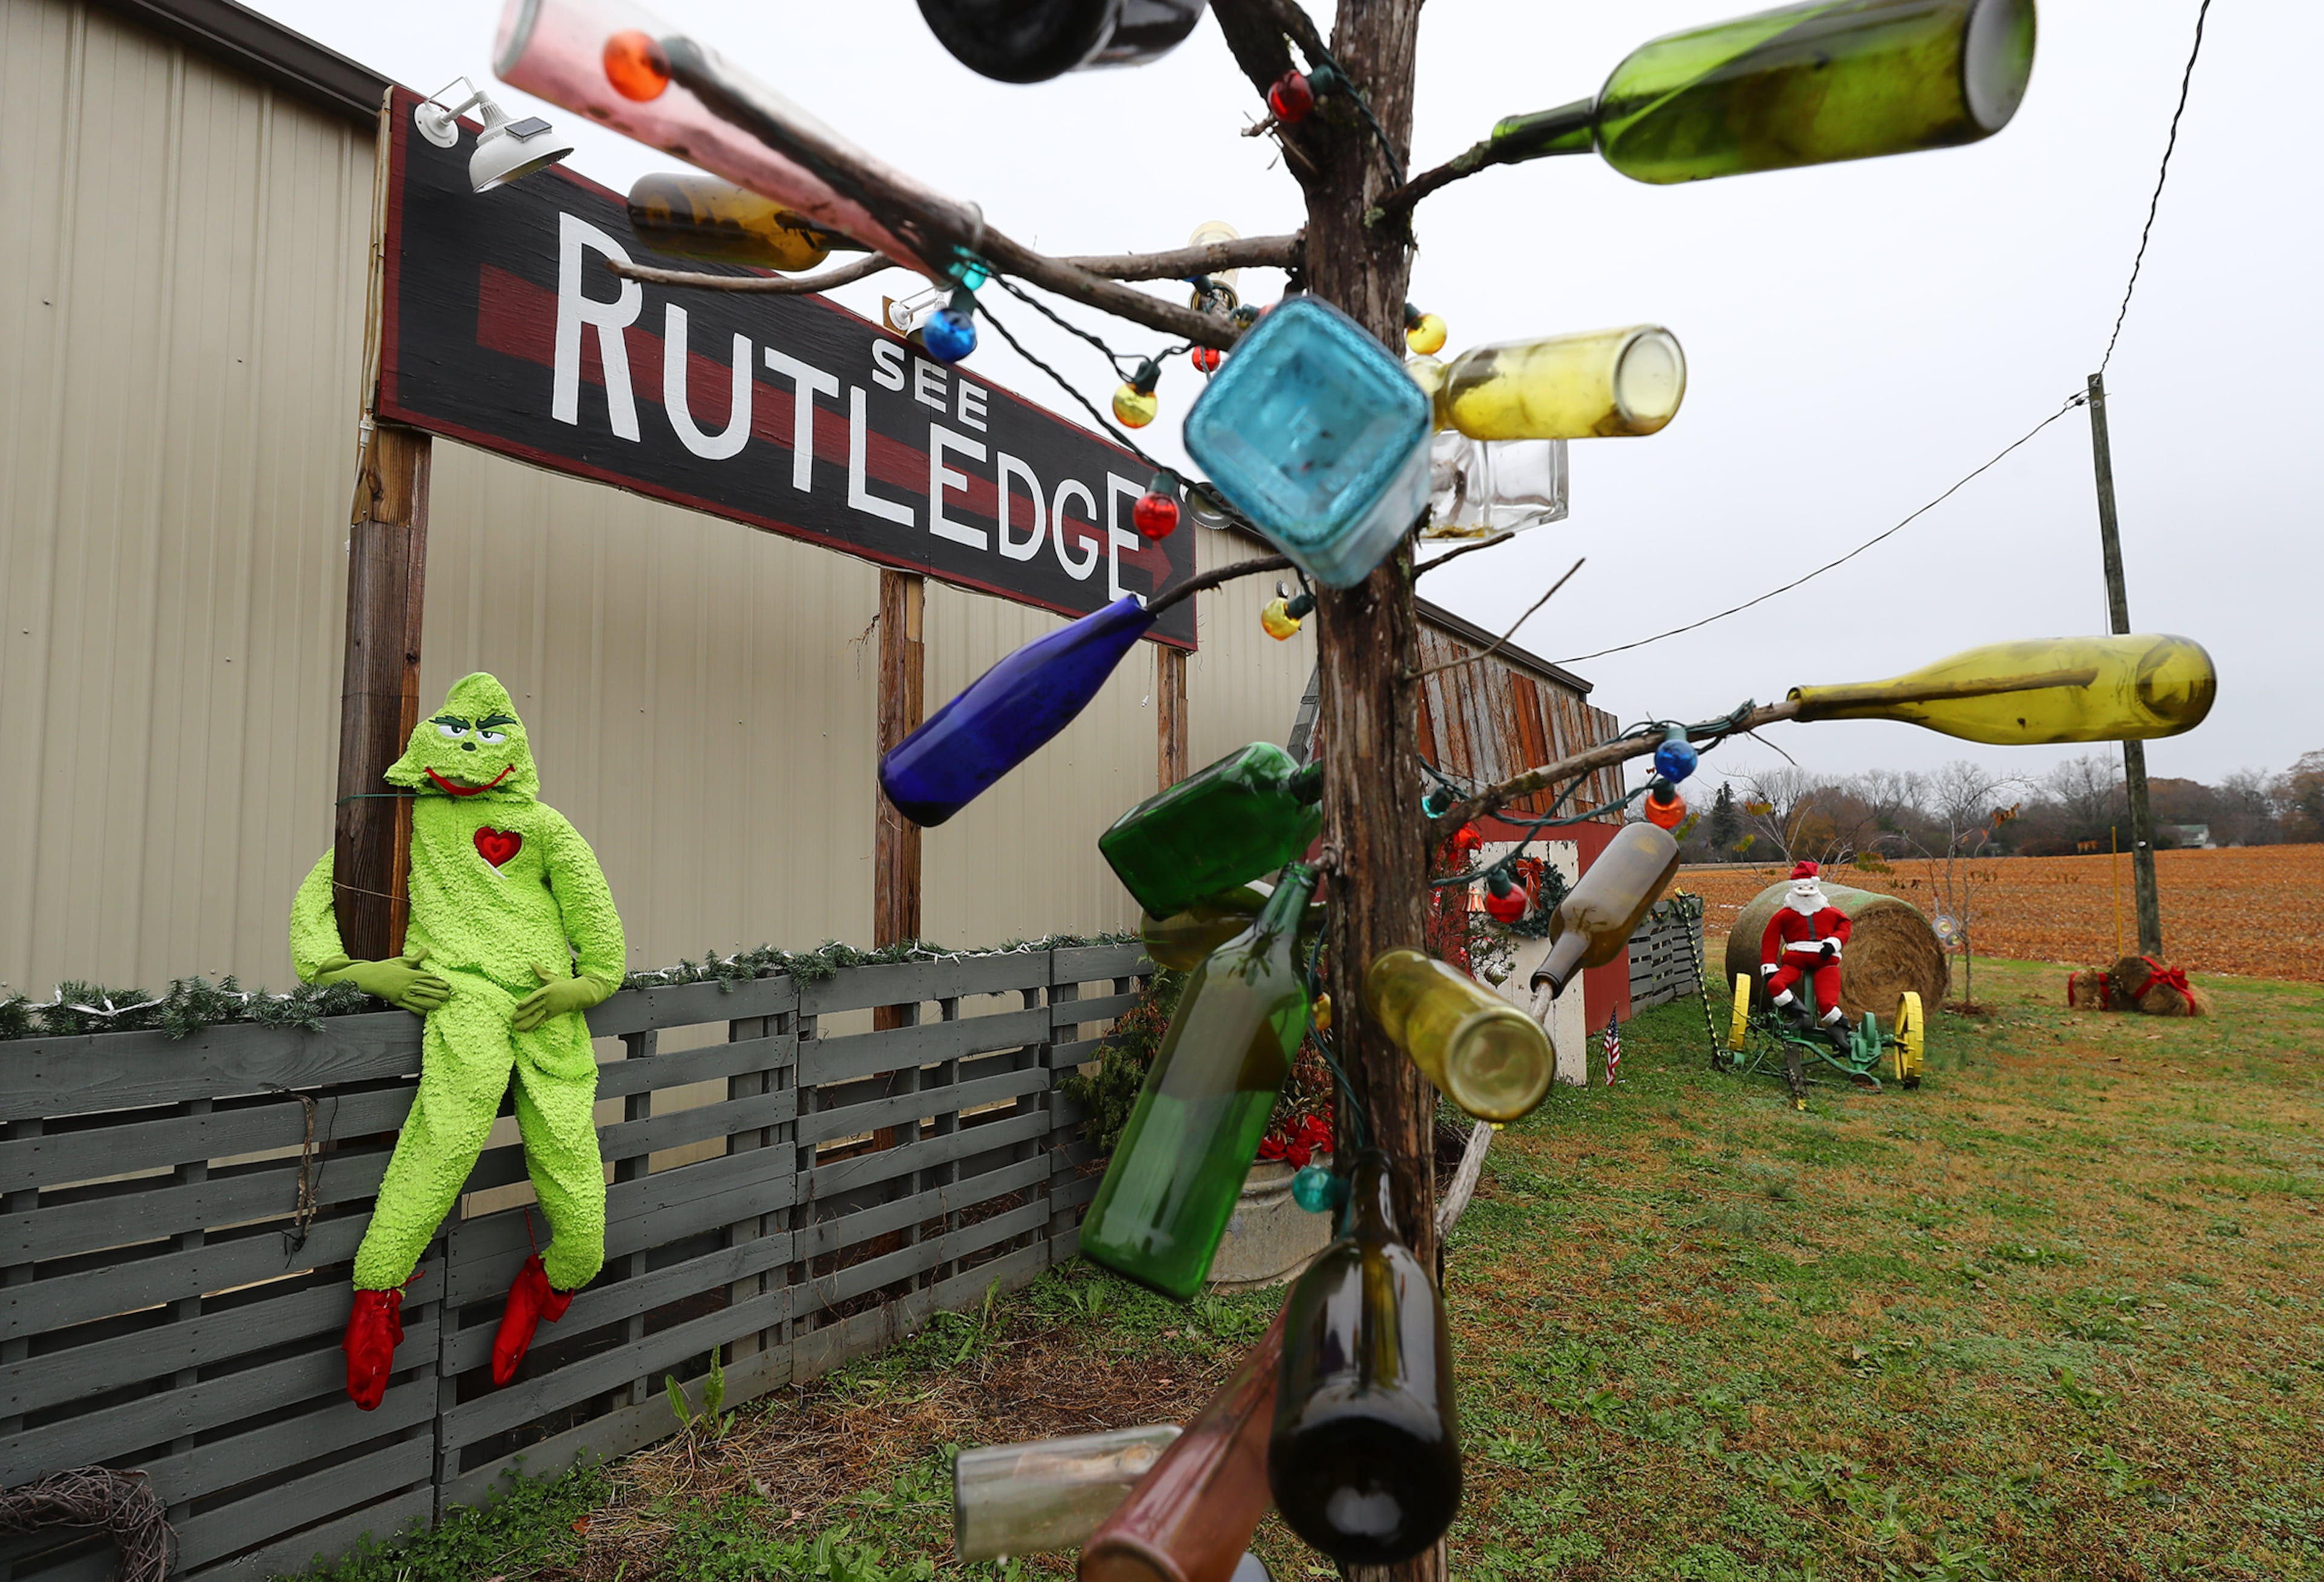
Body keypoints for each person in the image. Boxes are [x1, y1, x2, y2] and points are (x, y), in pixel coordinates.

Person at [290, 674, 625, 1408]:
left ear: (518, 748)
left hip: (546, 1015)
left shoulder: (543, 828)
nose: (472, 750)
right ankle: (377, 1294)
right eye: (457, 734)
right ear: (424, 742)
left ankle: (553, 1280)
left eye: (489, 734)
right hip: (459, 1003)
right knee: (441, 1137)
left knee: (576, 1179)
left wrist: (584, 985)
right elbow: (320, 900)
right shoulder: (403, 823)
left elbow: (599, 932)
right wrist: (358, 973)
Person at [1759, 860, 1851, 1055]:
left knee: (1828, 1004)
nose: (1806, 892)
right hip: (1794, 961)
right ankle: (1802, 1016)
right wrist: (1769, 966)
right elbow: (1770, 939)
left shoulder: (1830, 912)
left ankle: (1840, 1033)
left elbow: (1845, 925)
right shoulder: (1784, 916)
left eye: (1809, 887)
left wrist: (1833, 943)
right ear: (1793, 889)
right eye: (1801, 888)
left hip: (1825, 962)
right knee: (1775, 985)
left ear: (1816, 887)